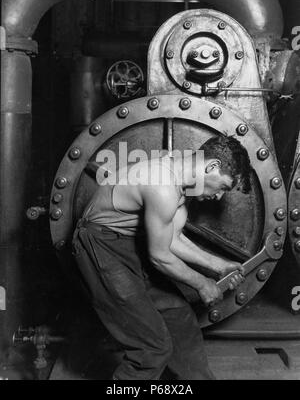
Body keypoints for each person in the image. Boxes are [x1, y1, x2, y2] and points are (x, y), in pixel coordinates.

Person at [72, 135, 252, 380]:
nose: (219, 197)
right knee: (152, 347)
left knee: (180, 320)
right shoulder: (162, 185)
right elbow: (159, 256)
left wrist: (218, 265)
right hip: (100, 246)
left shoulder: (182, 178)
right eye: (223, 187)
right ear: (211, 167)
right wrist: (202, 283)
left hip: (128, 243)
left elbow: (172, 238)